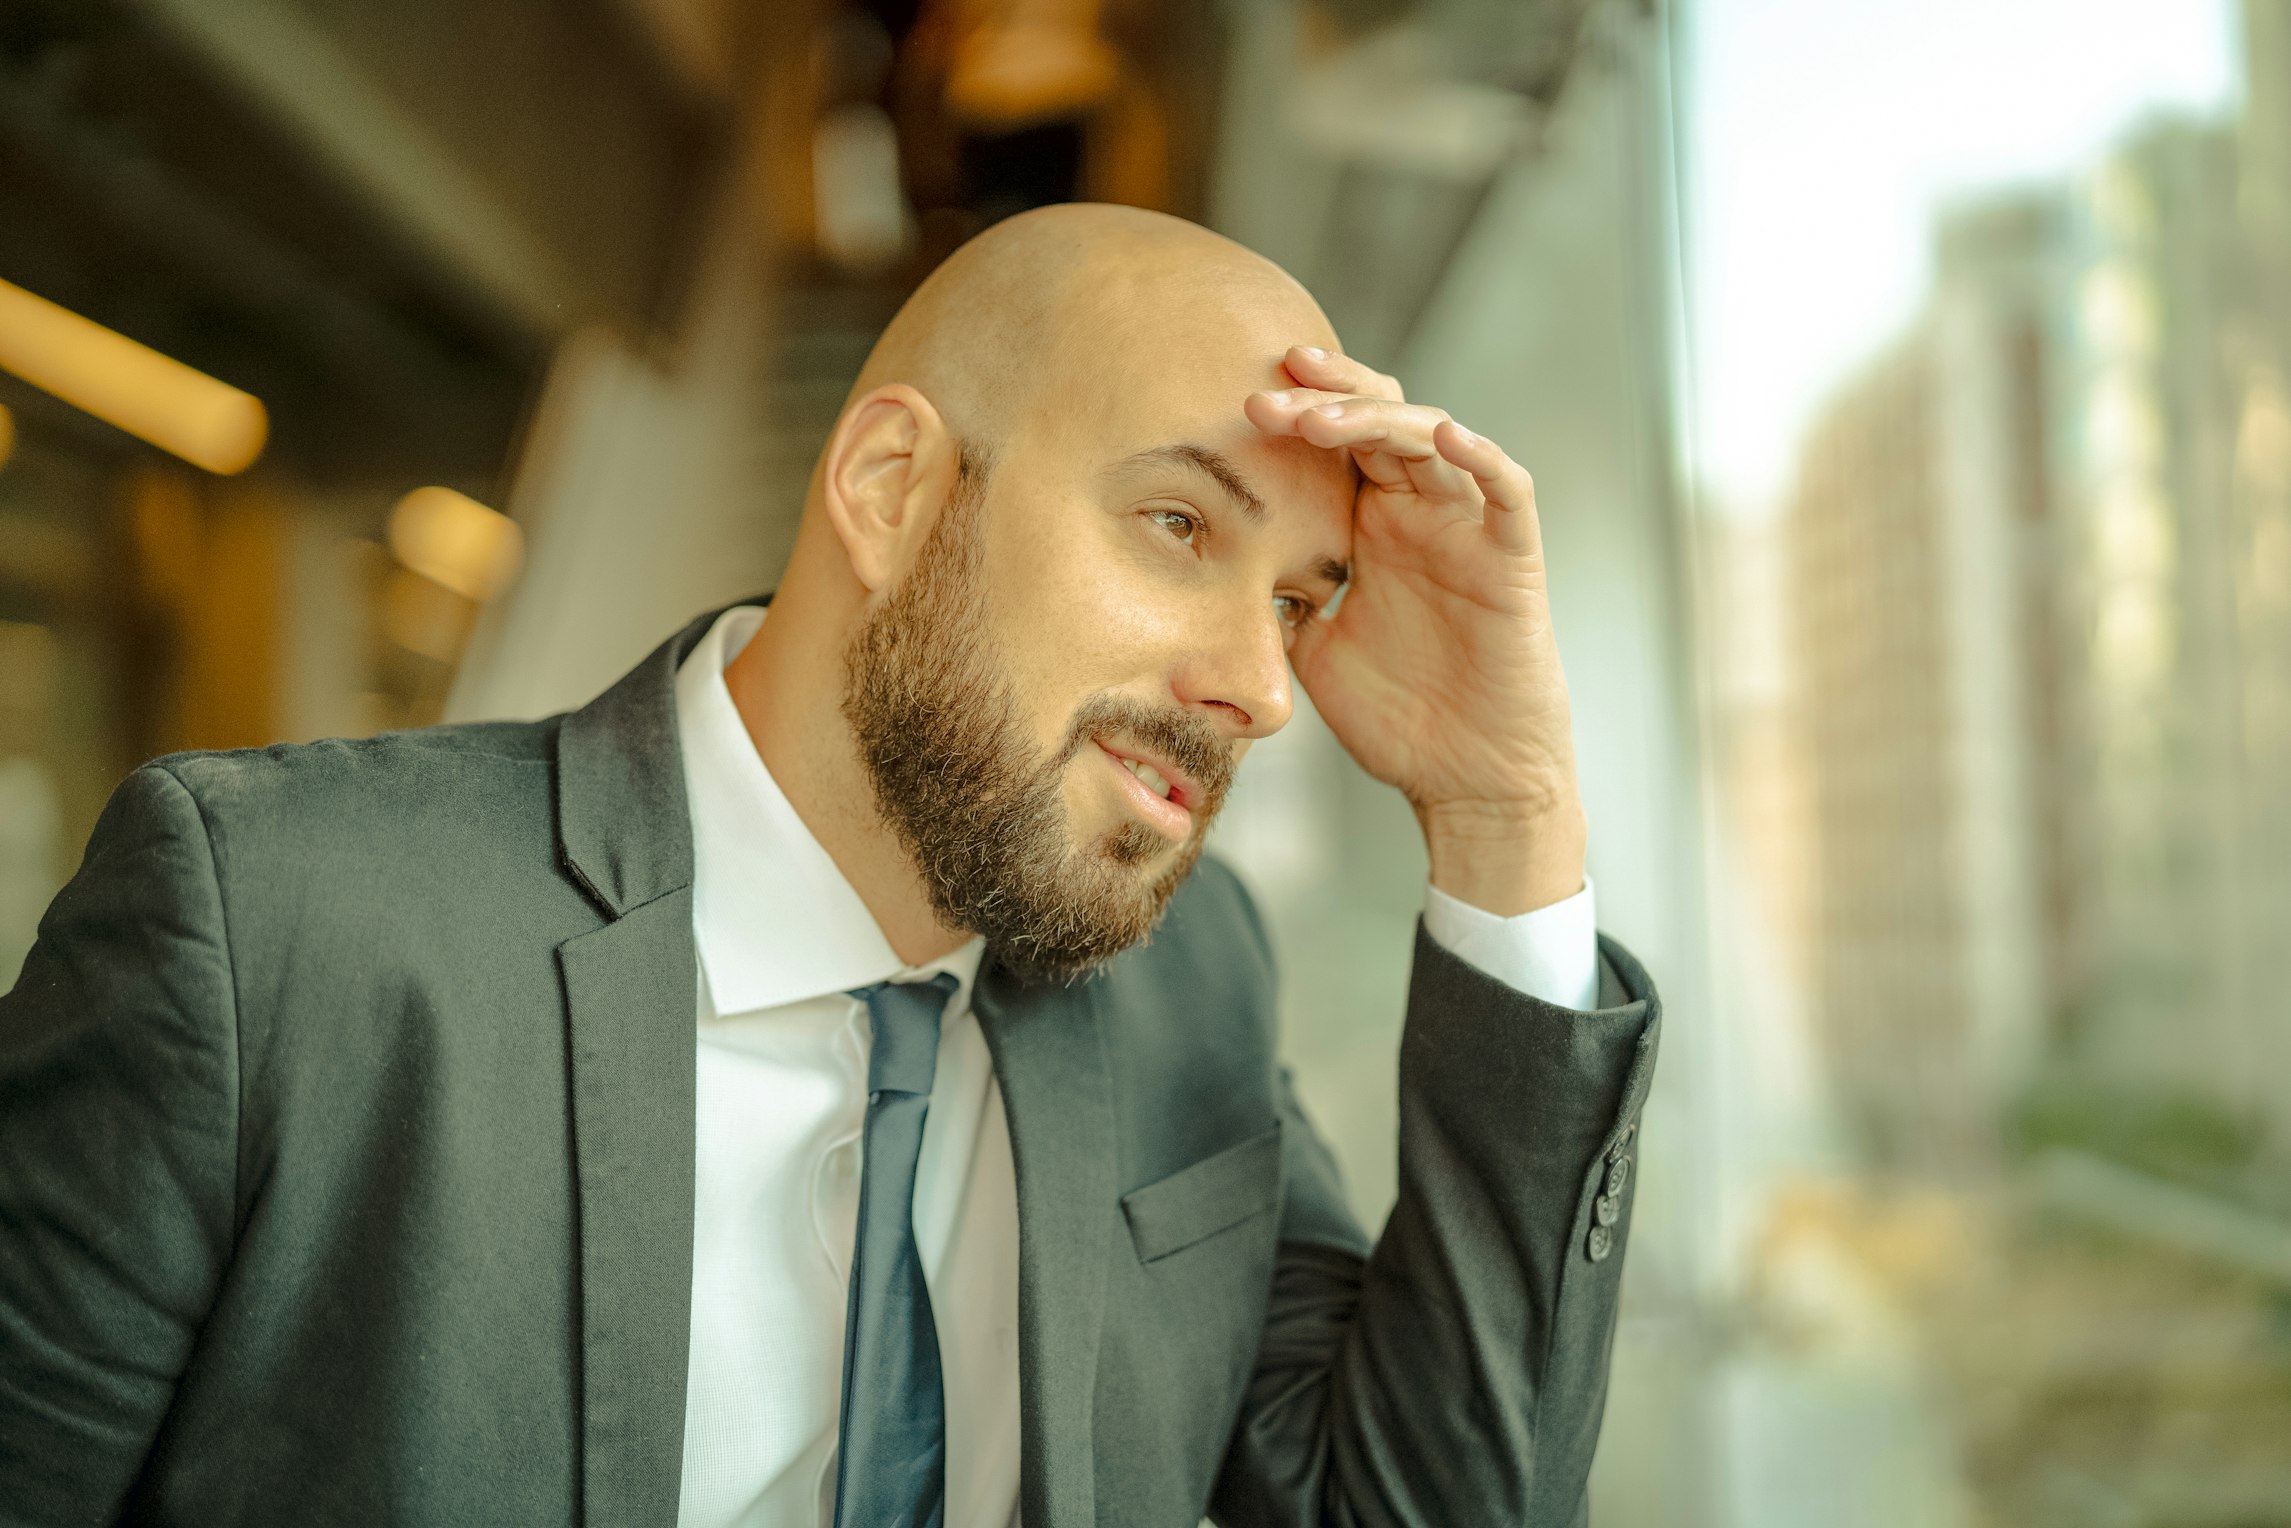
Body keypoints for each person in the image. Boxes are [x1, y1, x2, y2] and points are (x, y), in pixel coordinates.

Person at [0, 204, 1659, 1527]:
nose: (1261, 685)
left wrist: (1507, 810)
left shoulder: (1190, 975)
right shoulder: (274, 925)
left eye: (1302, 597)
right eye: (1177, 526)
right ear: (890, 487)